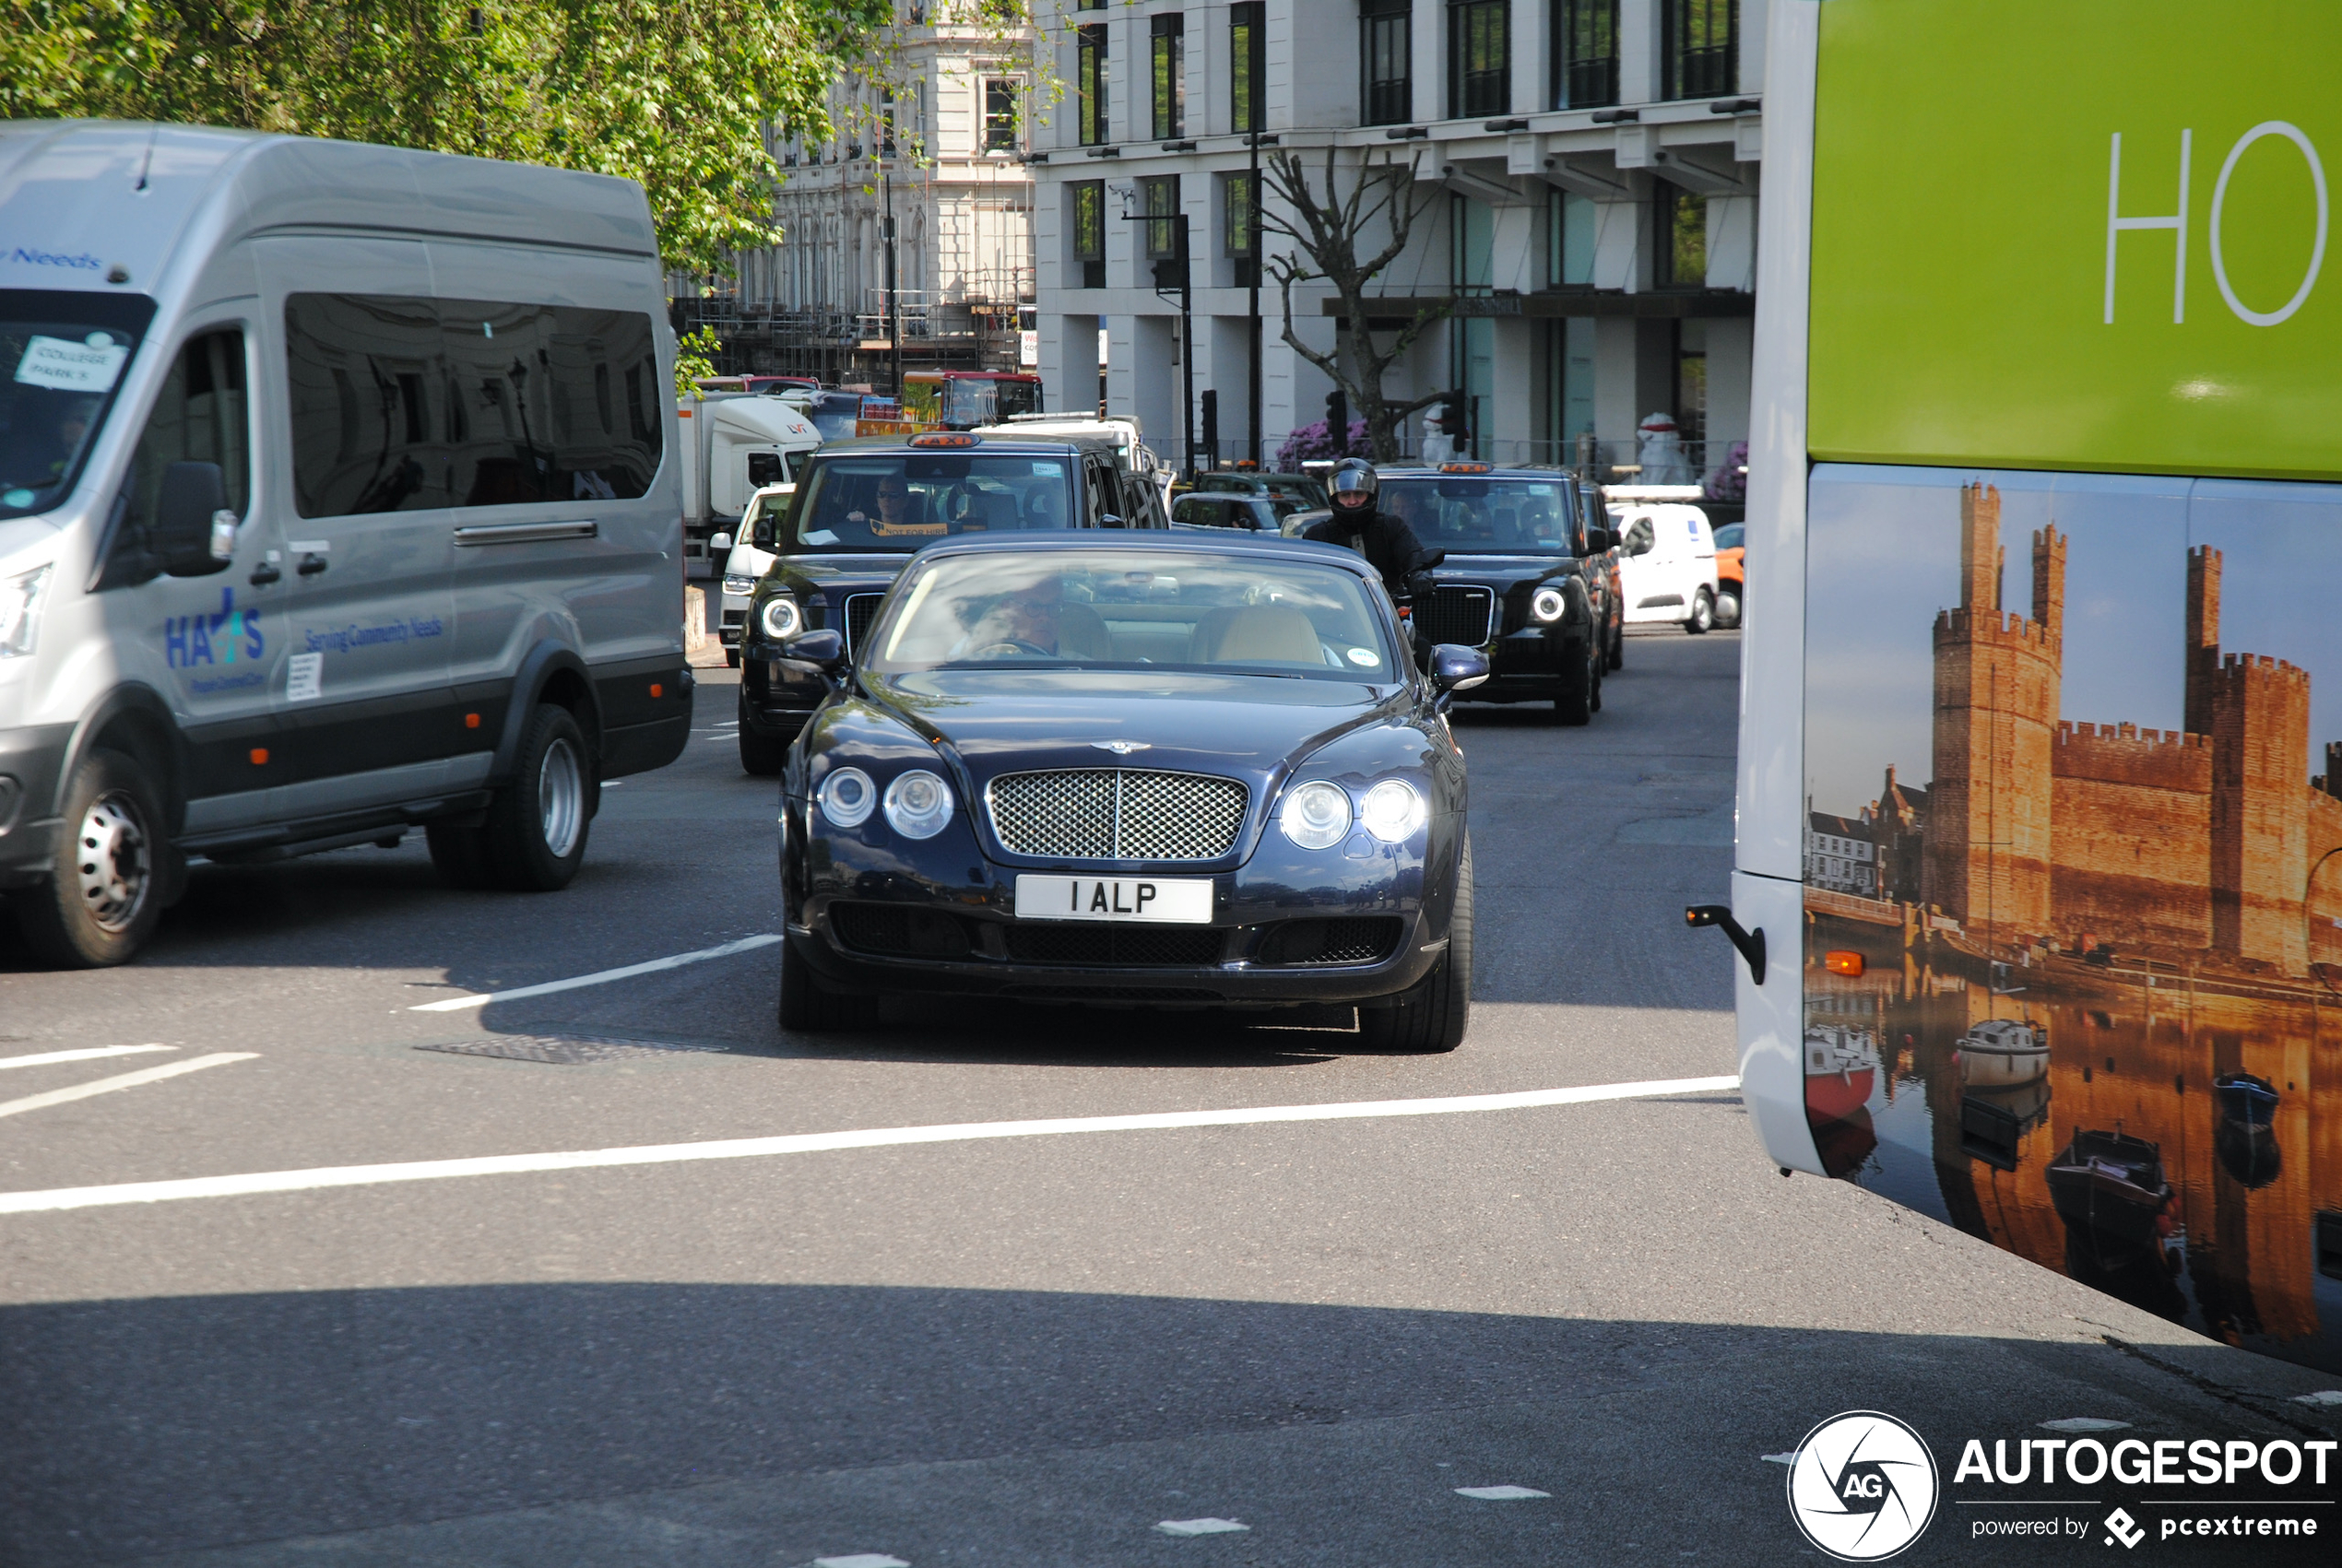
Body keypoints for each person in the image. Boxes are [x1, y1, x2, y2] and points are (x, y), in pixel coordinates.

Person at [1303, 458, 1437, 606]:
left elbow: (1413, 554)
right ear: (1334, 497)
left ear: (1371, 494)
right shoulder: (1317, 536)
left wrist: (1419, 575)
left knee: (1408, 627)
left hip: (1387, 612)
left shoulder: (1391, 526)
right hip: (1334, 613)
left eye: (1359, 494)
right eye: (1345, 495)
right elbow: (1304, 578)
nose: (1352, 501)